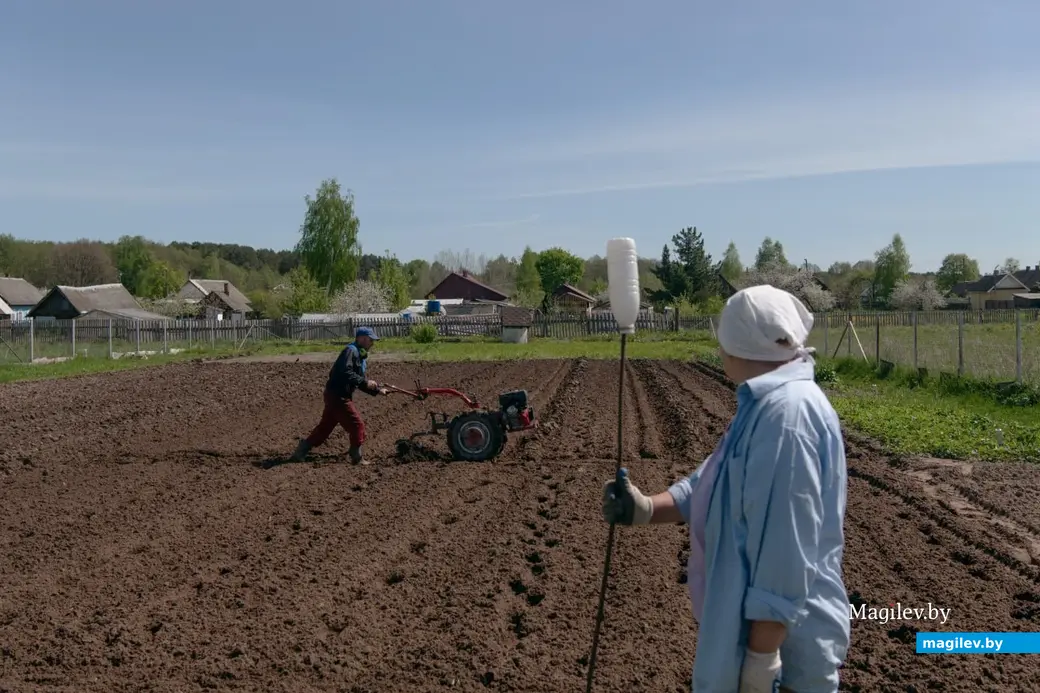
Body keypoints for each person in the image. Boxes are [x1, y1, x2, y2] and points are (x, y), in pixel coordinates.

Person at [602, 284, 849, 693]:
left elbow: (785, 551)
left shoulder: (788, 419)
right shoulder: (766, 406)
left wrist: (761, 660)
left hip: (785, 656)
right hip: (753, 636)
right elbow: (713, 480)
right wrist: (645, 507)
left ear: (736, 347)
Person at [289, 326, 387, 465]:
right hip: (338, 396)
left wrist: (378, 390)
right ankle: (356, 456)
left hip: (335, 395)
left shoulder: (359, 355)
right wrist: (365, 382)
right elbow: (345, 373)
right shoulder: (350, 351)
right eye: (370, 340)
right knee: (357, 425)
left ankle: (301, 451)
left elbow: (358, 381)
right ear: (361, 338)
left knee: (325, 428)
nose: (372, 343)